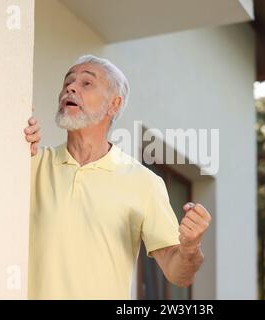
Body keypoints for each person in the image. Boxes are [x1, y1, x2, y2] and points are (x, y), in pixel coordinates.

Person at [23, 54, 212, 299]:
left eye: (86, 83)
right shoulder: (32, 163)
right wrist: (13, 133)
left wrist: (191, 246)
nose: (70, 87)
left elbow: (179, 275)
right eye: (68, 81)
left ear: (114, 104)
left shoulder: (144, 182)